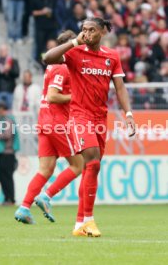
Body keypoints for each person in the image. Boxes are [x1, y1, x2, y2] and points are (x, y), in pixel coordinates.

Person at [43, 17, 136, 237]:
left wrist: (129, 114)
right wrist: (74, 42)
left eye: (92, 29)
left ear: (102, 32)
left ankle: (78, 225)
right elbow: (47, 58)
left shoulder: (111, 56)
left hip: (100, 118)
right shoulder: (75, 53)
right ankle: (89, 220)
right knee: (92, 159)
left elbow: (120, 89)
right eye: (84, 29)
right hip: (79, 116)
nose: (87, 33)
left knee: (91, 168)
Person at [14, 30, 84, 224]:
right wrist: (77, 98)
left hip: (45, 122)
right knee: (79, 164)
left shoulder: (52, 67)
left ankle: (24, 207)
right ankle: (47, 196)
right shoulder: (62, 68)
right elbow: (53, 96)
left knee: (45, 169)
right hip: (58, 123)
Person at [0, 102, 20, 205]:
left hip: (8, 153)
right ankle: (7, 198)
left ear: (3, 110)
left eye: (0, 109)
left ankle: (10, 199)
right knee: (3, 177)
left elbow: (7, 135)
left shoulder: (7, 120)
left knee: (7, 177)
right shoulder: (3, 120)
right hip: (2, 153)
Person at [0, 44, 20, 109]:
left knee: (9, 112)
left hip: (10, 90)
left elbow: (17, 73)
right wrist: (3, 70)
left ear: (7, 51)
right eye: (1, 50)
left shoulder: (13, 61)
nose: (2, 52)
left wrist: (9, 69)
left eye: (4, 50)